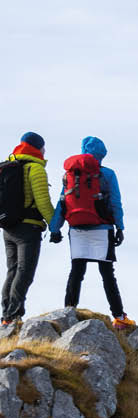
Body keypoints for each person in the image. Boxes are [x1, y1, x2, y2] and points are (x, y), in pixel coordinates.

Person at [50, 136, 135, 330]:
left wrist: (55, 229)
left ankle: (68, 311)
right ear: (101, 155)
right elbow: (115, 202)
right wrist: (120, 227)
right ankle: (119, 317)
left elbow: (62, 203)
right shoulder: (107, 174)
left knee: (76, 272)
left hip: (77, 229)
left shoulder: (70, 174)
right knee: (107, 275)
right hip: (102, 229)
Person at [1, 131, 55, 326]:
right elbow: (43, 202)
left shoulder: (6, 166)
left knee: (12, 270)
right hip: (28, 229)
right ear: (37, 148)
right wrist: (55, 226)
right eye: (43, 147)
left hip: (7, 227)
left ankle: (6, 315)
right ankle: (13, 315)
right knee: (25, 272)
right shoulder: (35, 169)